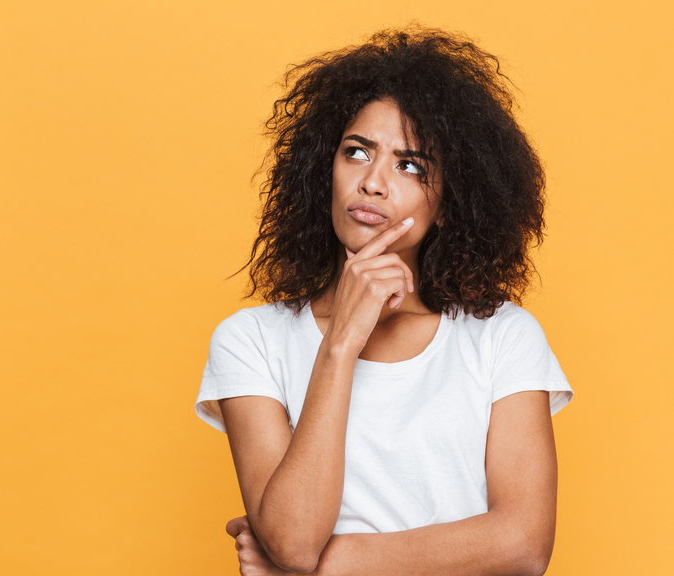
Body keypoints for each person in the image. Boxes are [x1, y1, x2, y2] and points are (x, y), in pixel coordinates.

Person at [195, 26, 574, 576]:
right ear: (323, 171)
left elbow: (523, 545)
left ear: (446, 204)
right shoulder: (251, 340)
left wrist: (338, 562)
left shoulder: (503, 337)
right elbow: (294, 541)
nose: (373, 182)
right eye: (356, 152)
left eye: (411, 165)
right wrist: (342, 342)